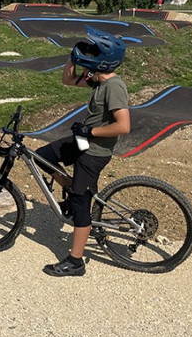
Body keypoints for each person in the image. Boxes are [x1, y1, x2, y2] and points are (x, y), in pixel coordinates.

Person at [36, 28, 130, 277]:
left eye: (93, 51)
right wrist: (73, 56)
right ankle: (72, 186)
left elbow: (124, 126)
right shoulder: (98, 79)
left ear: (104, 60)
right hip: (83, 141)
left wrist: (91, 131)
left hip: (95, 151)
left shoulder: (114, 86)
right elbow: (68, 79)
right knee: (41, 157)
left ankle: (75, 262)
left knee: (80, 204)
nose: (88, 54)